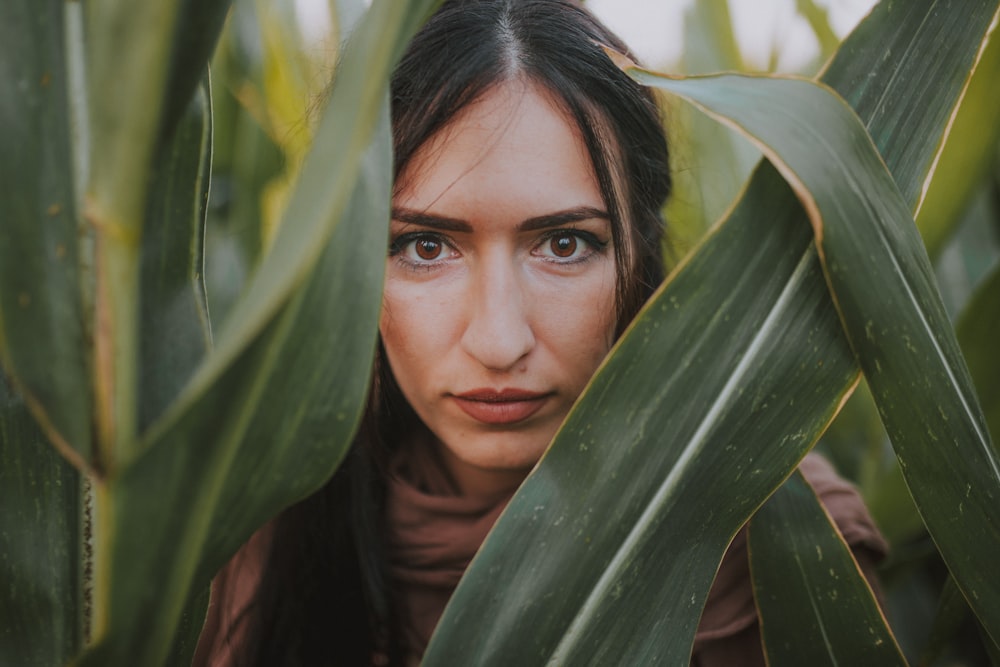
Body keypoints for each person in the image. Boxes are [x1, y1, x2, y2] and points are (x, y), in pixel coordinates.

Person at [194, 1, 887, 665]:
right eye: (425, 247)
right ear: (346, 256)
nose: (499, 342)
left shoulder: (788, 546)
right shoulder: (241, 530)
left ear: (640, 252)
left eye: (563, 243)